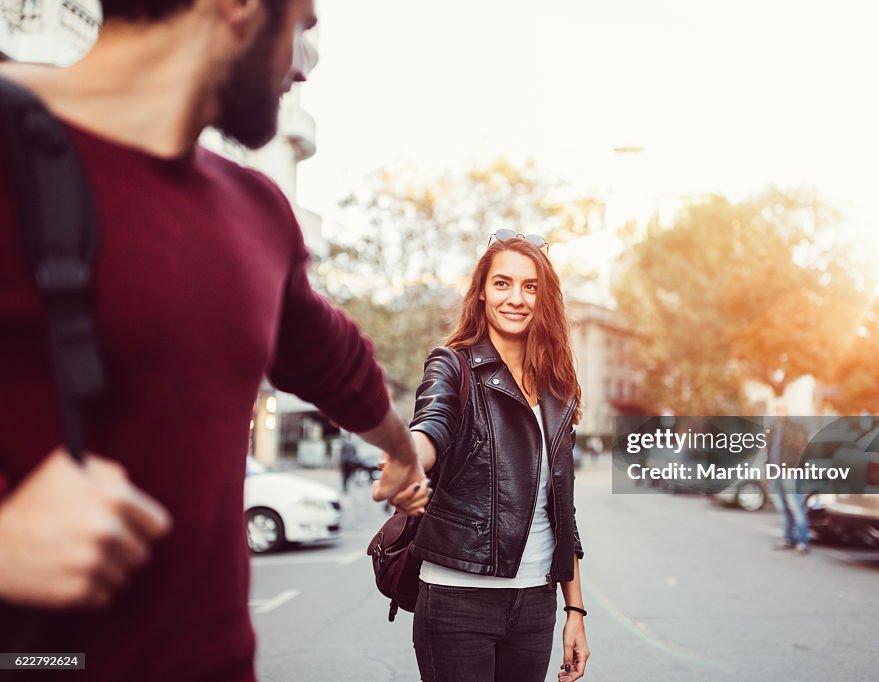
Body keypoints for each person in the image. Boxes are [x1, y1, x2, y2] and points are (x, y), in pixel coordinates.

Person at [0, 1, 428, 680]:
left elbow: (335, 362)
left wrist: (401, 454)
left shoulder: (256, 209)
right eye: (303, 31)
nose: (303, 71)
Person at [405, 231, 591, 682]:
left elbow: (561, 509)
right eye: (502, 283)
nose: (516, 298)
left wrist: (575, 609)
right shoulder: (452, 365)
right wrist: (409, 458)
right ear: (482, 292)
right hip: (457, 601)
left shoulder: (557, 386)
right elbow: (432, 424)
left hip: (535, 603)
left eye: (531, 287)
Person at [768, 409, 810, 554]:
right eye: (777, 409)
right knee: (783, 507)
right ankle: (788, 538)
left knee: (796, 507)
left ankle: (803, 541)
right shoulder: (773, 429)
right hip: (776, 473)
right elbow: (770, 451)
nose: (779, 412)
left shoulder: (795, 428)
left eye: (782, 409)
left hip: (790, 473)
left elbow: (802, 450)